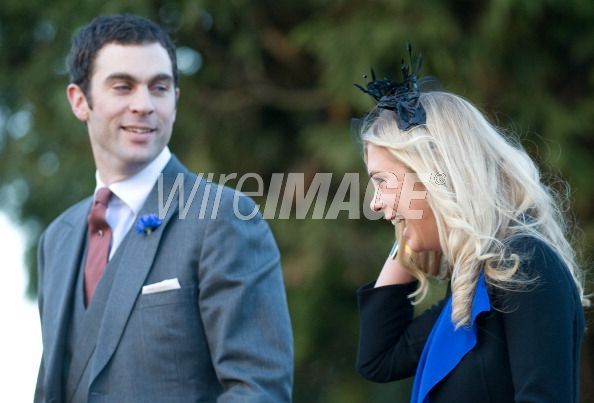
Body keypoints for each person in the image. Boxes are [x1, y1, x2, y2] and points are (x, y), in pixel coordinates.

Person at [35, 14, 293, 402]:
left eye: (159, 87)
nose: (144, 105)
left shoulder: (221, 217)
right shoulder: (57, 238)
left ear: (175, 99)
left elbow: (259, 390)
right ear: (79, 100)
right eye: (123, 87)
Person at [353, 47, 588, 402]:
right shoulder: (473, 281)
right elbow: (379, 359)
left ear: (432, 174)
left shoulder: (522, 264)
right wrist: (408, 227)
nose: (374, 202)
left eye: (383, 182)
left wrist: (425, 203)